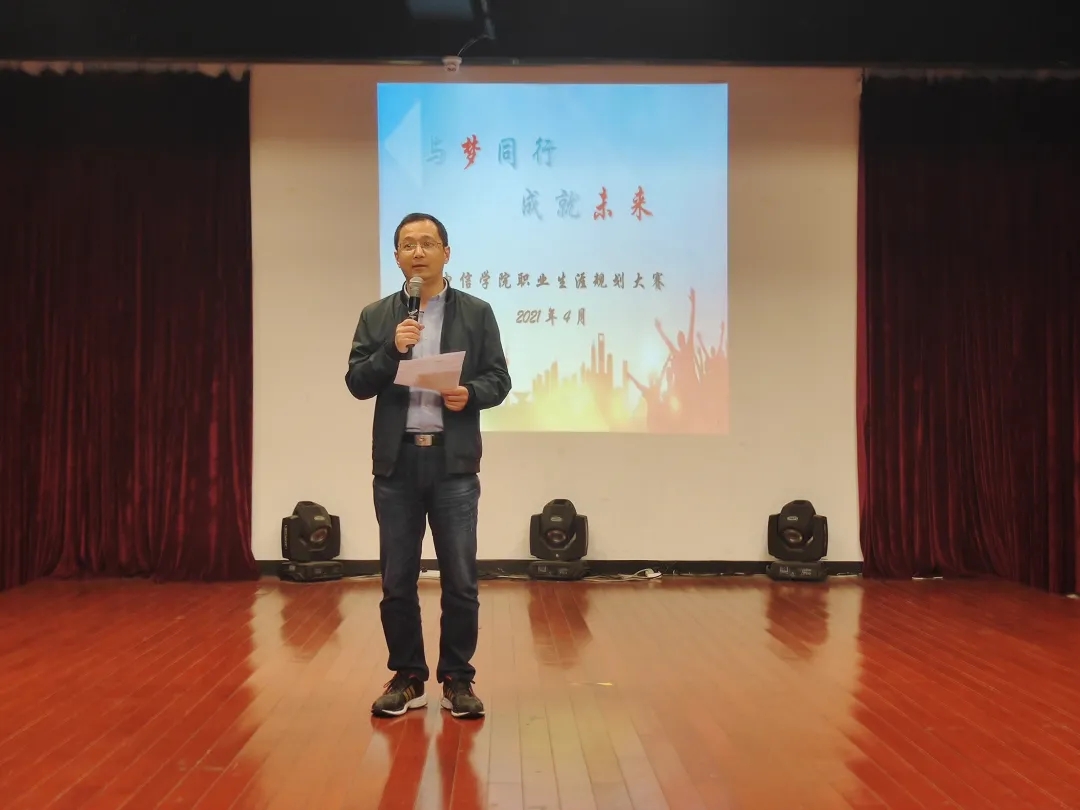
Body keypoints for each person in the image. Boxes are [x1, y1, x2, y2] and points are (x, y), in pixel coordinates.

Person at [345, 213, 511, 719]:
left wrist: (471, 394)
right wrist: (390, 351)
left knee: (460, 579)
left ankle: (458, 679)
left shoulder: (476, 312)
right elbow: (357, 382)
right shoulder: (378, 316)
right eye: (408, 245)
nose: (418, 252)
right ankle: (408, 676)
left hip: (451, 462)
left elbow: (499, 379)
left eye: (428, 243)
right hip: (396, 464)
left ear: (446, 252)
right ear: (396, 256)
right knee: (397, 579)